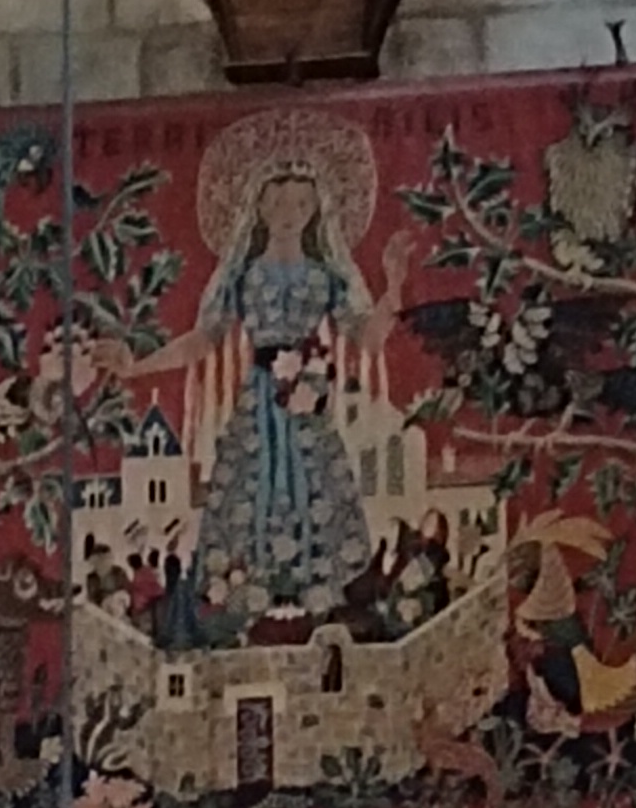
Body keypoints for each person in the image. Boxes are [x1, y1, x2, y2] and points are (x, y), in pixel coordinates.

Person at [105, 165, 411, 636]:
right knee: (249, 491)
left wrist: (392, 288)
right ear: (260, 208)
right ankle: (245, 604)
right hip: (260, 402)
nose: (290, 213)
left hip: (307, 403)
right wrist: (136, 367)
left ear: (316, 212)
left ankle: (317, 607)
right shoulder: (244, 276)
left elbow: (367, 337)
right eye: (279, 202)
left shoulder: (323, 276)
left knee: (316, 488)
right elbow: (203, 340)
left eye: (302, 204)